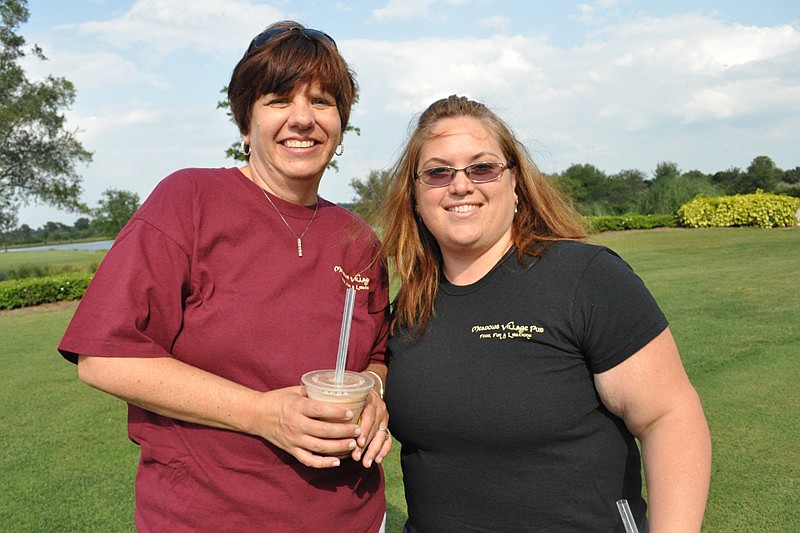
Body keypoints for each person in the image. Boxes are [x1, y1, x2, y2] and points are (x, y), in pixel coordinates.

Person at [58, 21, 392, 532]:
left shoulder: (359, 240)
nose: (303, 118)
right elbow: (104, 355)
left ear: (340, 125)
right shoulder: (188, 201)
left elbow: (374, 357)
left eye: (322, 102)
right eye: (279, 100)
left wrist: (371, 394)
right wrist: (262, 414)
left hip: (354, 518)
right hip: (209, 516)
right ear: (245, 123)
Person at [380, 95, 711, 532]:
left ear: (515, 183)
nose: (460, 185)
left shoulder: (584, 278)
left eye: (482, 168)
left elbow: (669, 417)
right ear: (416, 194)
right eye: (438, 172)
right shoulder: (408, 308)